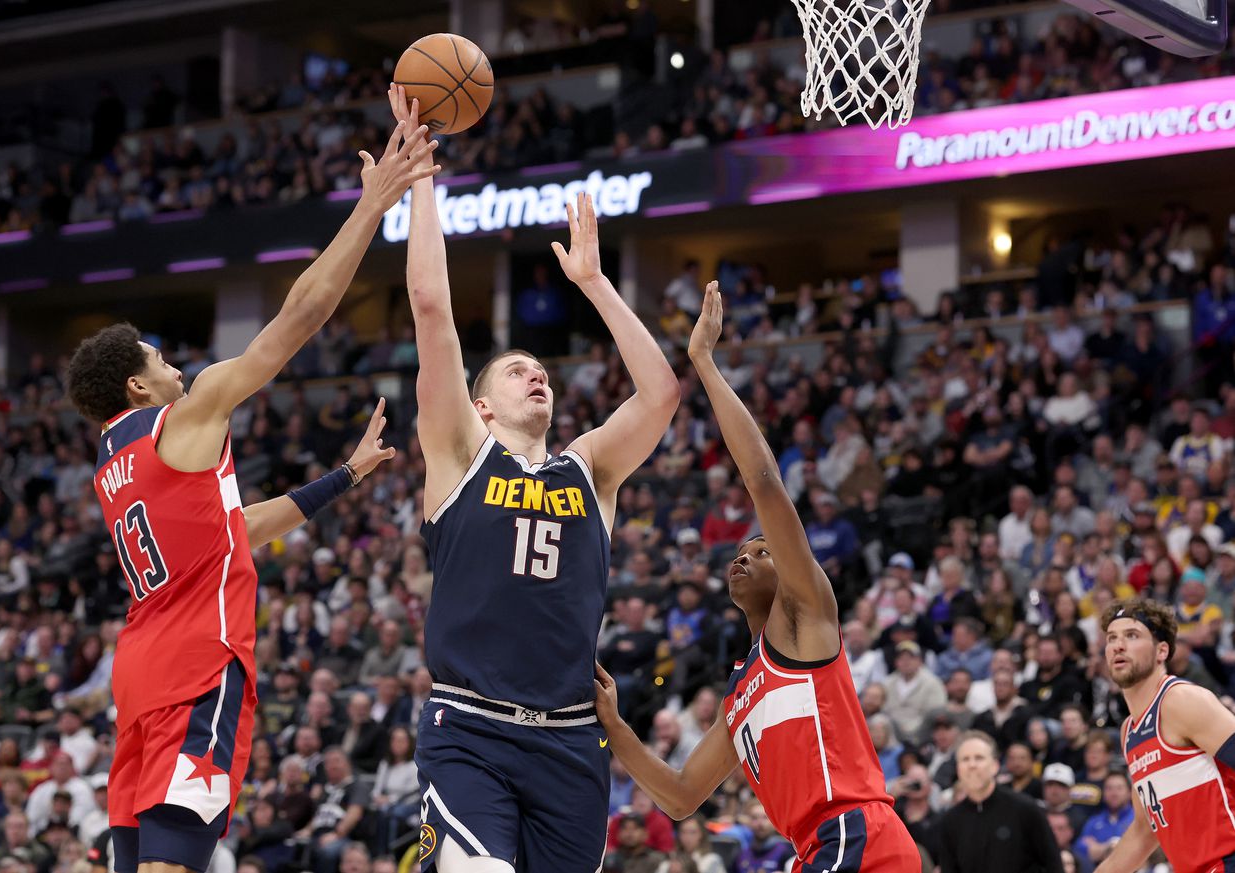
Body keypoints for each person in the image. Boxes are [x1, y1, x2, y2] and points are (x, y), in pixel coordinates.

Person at [64, 115, 436, 873]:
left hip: (139, 675)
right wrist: (374, 204)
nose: (176, 364)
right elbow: (296, 320)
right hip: (199, 666)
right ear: (138, 383)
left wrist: (346, 477)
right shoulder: (187, 411)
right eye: (159, 357)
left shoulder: (113, 464)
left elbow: (233, 528)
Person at [389, 85, 679, 873]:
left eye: (542, 369)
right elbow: (429, 306)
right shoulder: (458, 451)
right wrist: (422, 178)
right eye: (517, 371)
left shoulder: (589, 469)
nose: (536, 376)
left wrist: (594, 282)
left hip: (569, 738)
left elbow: (660, 394)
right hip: (471, 729)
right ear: (480, 404)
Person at [594, 282, 919, 869]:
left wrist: (704, 364)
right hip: (815, 848)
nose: (744, 557)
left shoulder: (804, 616)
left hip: (855, 832)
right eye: (739, 554)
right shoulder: (741, 691)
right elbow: (681, 797)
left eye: (762, 550)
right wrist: (615, 726)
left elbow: (764, 482)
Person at [1094, 596, 1235, 871]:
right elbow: (1144, 831)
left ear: (1161, 651)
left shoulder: (1180, 700)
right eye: (1111, 638)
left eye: (1132, 635)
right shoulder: (1129, 731)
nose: (1118, 645)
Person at [936, 731, 1061, 873]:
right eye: (965, 759)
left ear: (995, 765)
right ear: (958, 769)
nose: (972, 765)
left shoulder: (1026, 809)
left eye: (979, 758)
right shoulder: (950, 821)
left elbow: (1053, 864)